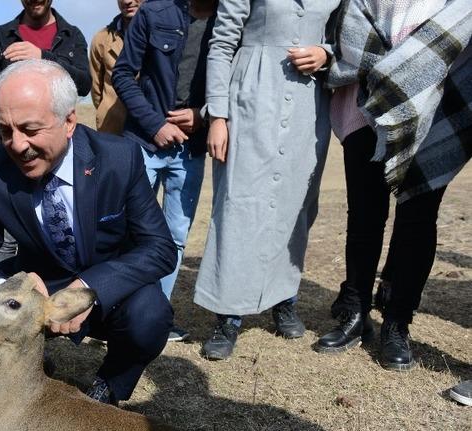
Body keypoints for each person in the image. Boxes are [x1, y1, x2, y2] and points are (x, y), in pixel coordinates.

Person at [0, 59, 177, 407]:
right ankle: (32, 369)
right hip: (38, 286)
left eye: (30, 129)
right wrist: (9, 290)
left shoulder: (119, 158)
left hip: (106, 289)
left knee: (150, 318)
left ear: (68, 121)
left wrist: (87, 289)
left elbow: (159, 248)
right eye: (5, 130)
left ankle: (109, 385)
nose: (17, 145)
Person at [320, 0, 471, 375]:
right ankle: (355, 312)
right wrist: (390, 68)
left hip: (430, 109)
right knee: (364, 217)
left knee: (417, 222)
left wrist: (409, 69)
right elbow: (348, 30)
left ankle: (397, 323)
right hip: (364, 106)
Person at [195, 0, 341, 360]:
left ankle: (283, 298)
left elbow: (347, 38)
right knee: (238, 205)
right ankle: (228, 314)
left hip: (309, 104)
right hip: (251, 96)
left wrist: (326, 53)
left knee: (296, 206)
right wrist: (218, 115)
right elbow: (222, 42)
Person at [112, 0, 217, 342]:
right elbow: (123, 74)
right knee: (129, 230)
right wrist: (156, 124)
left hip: (191, 149)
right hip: (144, 142)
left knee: (175, 235)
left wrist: (203, 115)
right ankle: (117, 311)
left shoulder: (230, 21)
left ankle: (156, 315)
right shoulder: (155, 13)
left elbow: (234, 83)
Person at [0, 0, 91, 146]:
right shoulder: (1, 36)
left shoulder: (72, 36)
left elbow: (84, 85)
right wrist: (10, 131)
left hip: (58, 144)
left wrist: (44, 57)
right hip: (11, 146)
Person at [89, 0, 141, 134]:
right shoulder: (101, 40)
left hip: (153, 135)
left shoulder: (167, 35)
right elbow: (96, 91)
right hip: (112, 130)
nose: (127, 1)